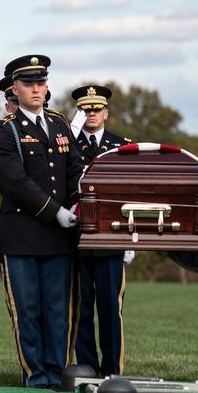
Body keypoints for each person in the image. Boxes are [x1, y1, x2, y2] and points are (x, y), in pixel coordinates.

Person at [0, 54, 84, 388]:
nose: (36, 89)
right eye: (28, 84)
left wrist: (77, 204)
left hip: (60, 237)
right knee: (27, 311)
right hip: (23, 236)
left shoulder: (59, 124)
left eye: (40, 83)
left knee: (60, 310)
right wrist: (57, 212)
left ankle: (59, 374)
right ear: (15, 88)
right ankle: (35, 376)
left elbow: (73, 171)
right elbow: (14, 183)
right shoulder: (5, 131)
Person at [70, 85, 133, 376]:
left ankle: (111, 371)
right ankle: (85, 368)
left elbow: (131, 193)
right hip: (77, 237)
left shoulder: (122, 146)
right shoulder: (66, 144)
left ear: (106, 113)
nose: (91, 114)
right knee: (80, 309)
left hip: (111, 237)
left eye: (96, 109)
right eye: (85, 109)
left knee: (110, 310)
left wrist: (131, 237)